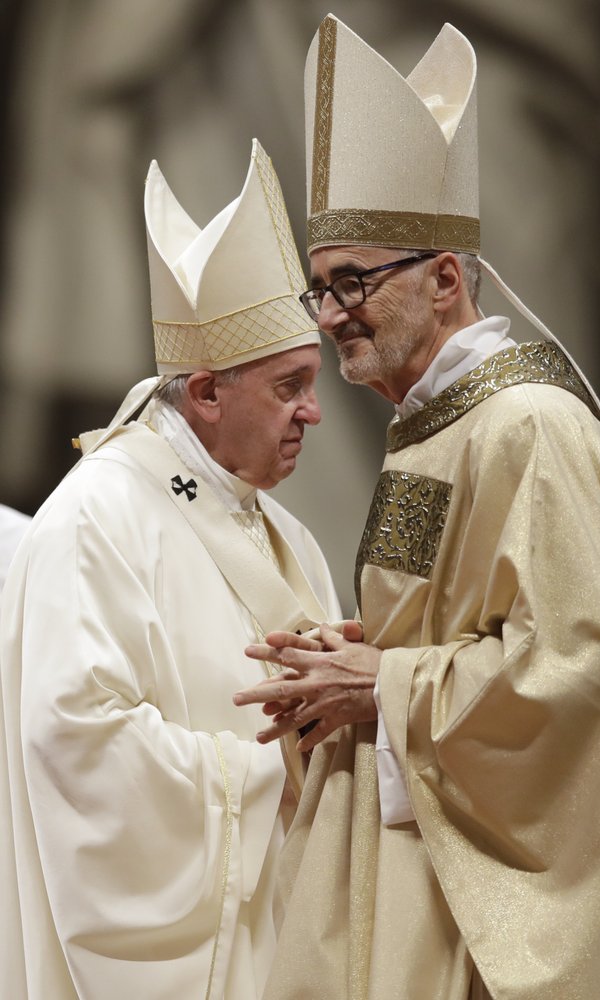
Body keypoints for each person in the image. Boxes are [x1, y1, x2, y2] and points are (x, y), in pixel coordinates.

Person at [233, 18, 600, 1000]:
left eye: (355, 282)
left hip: (463, 913)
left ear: (442, 276)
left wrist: (386, 682)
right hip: (402, 865)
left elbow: (586, 672)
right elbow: (464, 627)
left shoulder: (529, 428)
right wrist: (350, 657)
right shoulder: (434, 428)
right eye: (319, 288)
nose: (334, 312)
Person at [0, 138, 340, 1000]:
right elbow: (77, 744)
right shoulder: (96, 519)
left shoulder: (288, 538)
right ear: (206, 393)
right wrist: (277, 774)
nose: (314, 412)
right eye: (291, 384)